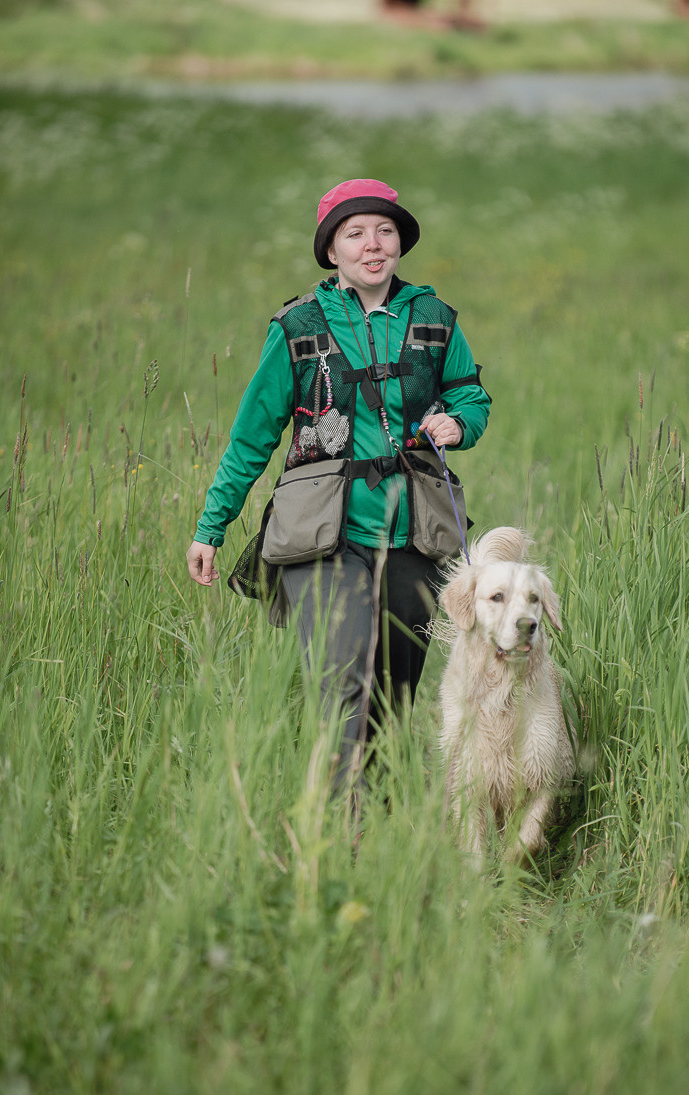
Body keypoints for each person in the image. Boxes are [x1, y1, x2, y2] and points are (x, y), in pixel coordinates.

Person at [186, 178, 490, 799]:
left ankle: (377, 824)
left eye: (384, 231)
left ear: (400, 242)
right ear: (331, 251)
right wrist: (211, 527)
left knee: (393, 694)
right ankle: (337, 829)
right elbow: (252, 437)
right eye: (355, 234)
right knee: (343, 678)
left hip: (413, 533)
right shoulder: (297, 327)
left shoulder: (435, 319)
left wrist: (458, 423)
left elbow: (470, 395)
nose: (372, 245)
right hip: (322, 536)